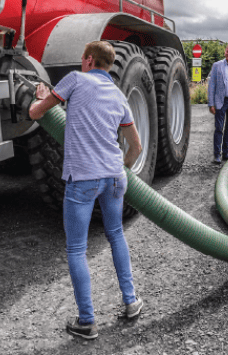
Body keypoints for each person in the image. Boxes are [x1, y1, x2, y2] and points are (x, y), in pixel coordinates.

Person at [29, 41, 144, 340]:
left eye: (83, 59)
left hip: (83, 179)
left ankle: (87, 321)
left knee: (77, 249)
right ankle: (131, 302)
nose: (81, 63)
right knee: (116, 234)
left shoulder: (75, 80)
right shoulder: (118, 95)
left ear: (90, 60)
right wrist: (120, 170)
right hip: (115, 176)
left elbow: (36, 113)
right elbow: (136, 146)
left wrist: (40, 96)